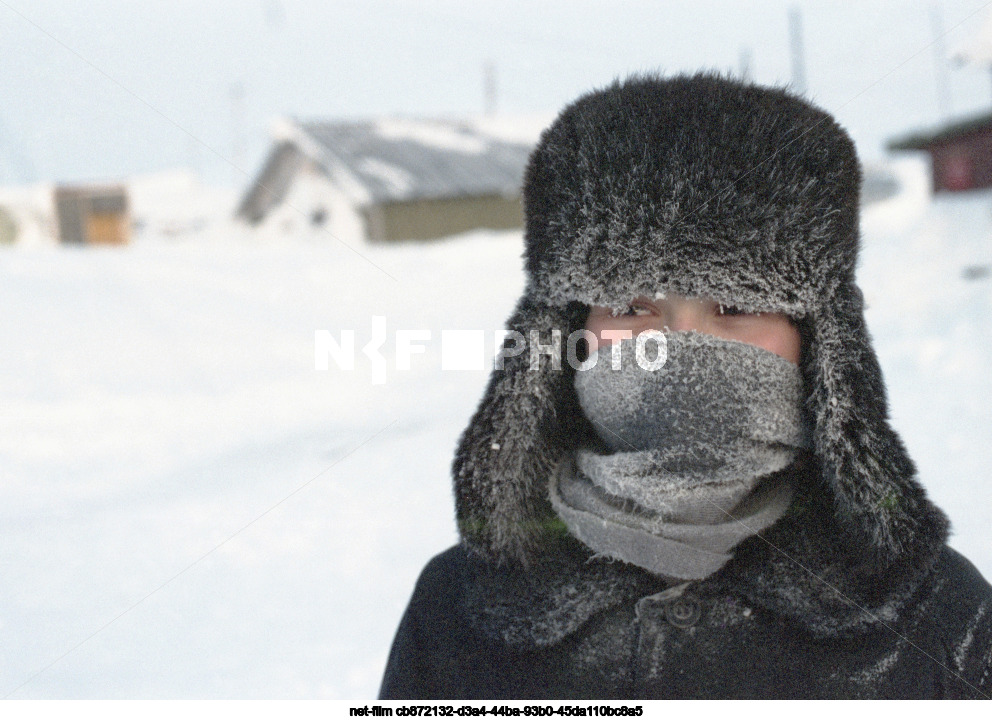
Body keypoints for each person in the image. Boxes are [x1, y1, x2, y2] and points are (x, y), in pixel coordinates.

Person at [378, 73, 992, 699]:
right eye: (632, 308)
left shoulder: (937, 615)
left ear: (819, 346)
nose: (682, 349)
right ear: (568, 337)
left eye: (734, 306)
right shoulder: (459, 608)